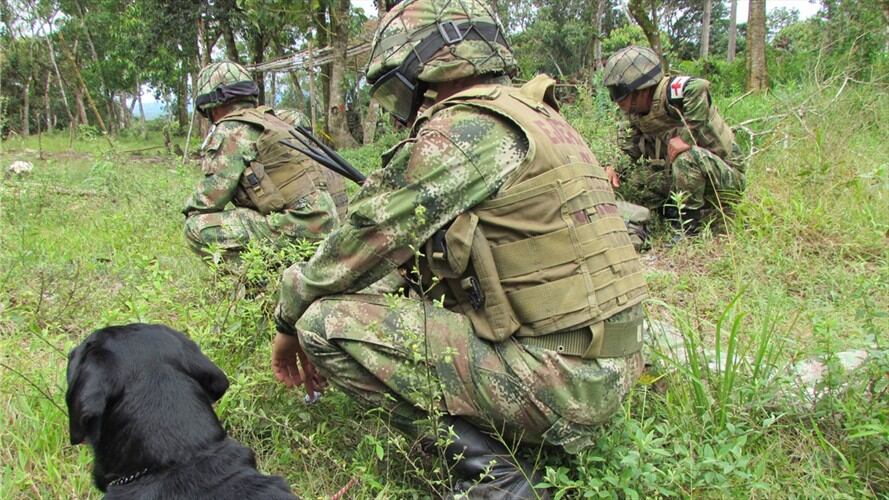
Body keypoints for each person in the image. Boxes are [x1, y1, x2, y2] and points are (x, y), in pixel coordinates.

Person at [271, 1, 647, 497]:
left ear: (425, 68)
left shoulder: (465, 129)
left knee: (324, 325)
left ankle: (497, 480)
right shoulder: (540, 116)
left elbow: (356, 244)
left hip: (567, 382)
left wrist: (286, 318)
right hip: (616, 362)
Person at [182, 62, 347, 261]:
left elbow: (207, 202)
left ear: (210, 107)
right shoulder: (277, 120)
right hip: (333, 225)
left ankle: (257, 280)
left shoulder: (232, 129)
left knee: (195, 227)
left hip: (303, 227)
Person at [602, 45, 746, 235]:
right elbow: (631, 150)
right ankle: (668, 212)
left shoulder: (670, 91)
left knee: (686, 158)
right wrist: (614, 168)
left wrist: (688, 137)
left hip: (726, 176)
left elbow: (698, 86)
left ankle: (688, 229)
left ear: (640, 88)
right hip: (689, 178)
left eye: (618, 93)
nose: (616, 100)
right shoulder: (636, 114)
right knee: (639, 180)